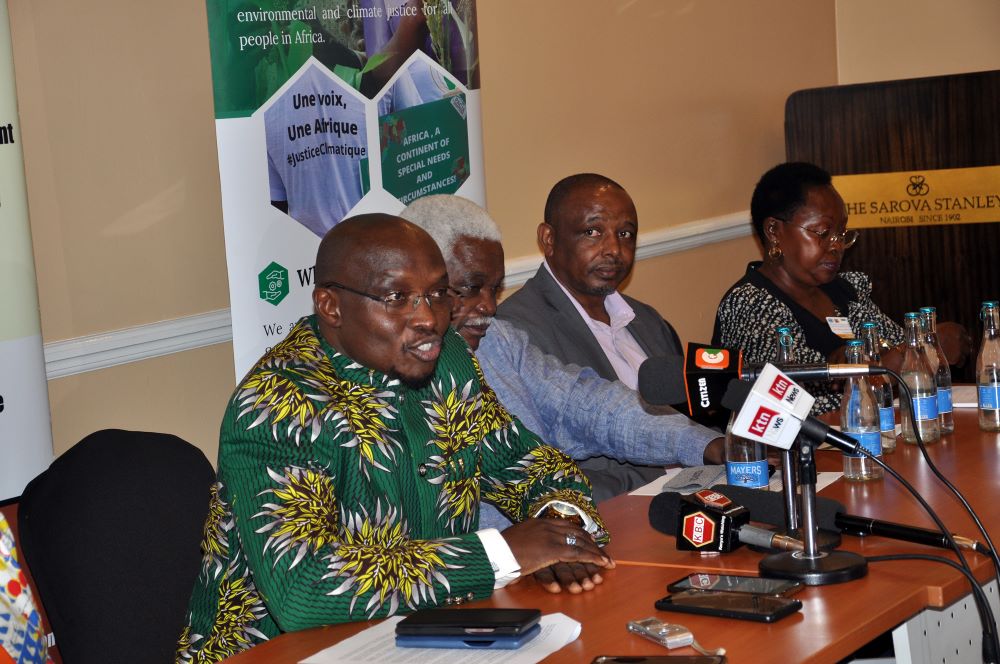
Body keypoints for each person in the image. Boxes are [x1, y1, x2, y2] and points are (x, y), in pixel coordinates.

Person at [176, 215, 612, 663]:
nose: (428, 318)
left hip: (422, 637)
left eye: (438, 293)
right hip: (279, 653)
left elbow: (527, 464)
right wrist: (502, 553)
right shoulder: (280, 402)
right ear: (331, 307)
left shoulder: (448, 364)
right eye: (396, 297)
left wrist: (561, 531)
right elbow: (304, 587)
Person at [401, 195, 724, 508]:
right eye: (470, 288)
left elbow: (586, 404)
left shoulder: (498, 340)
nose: (489, 305)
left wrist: (704, 443)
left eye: (494, 289)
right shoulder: (385, 379)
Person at [713, 161, 971, 414]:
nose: (837, 246)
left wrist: (928, 344)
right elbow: (792, 408)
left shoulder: (843, 291)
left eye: (842, 233)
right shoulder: (750, 305)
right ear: (773, 231)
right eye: (823, 232)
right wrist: (886, 372)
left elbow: (898, 348)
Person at [495, 174, 691, 497]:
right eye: (592, 232)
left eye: (625, 234)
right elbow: (548, 470)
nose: (614, 249)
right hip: (622, 517)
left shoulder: (647, 320)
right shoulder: (515, 331)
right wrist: (662, 488)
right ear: (549, 239)